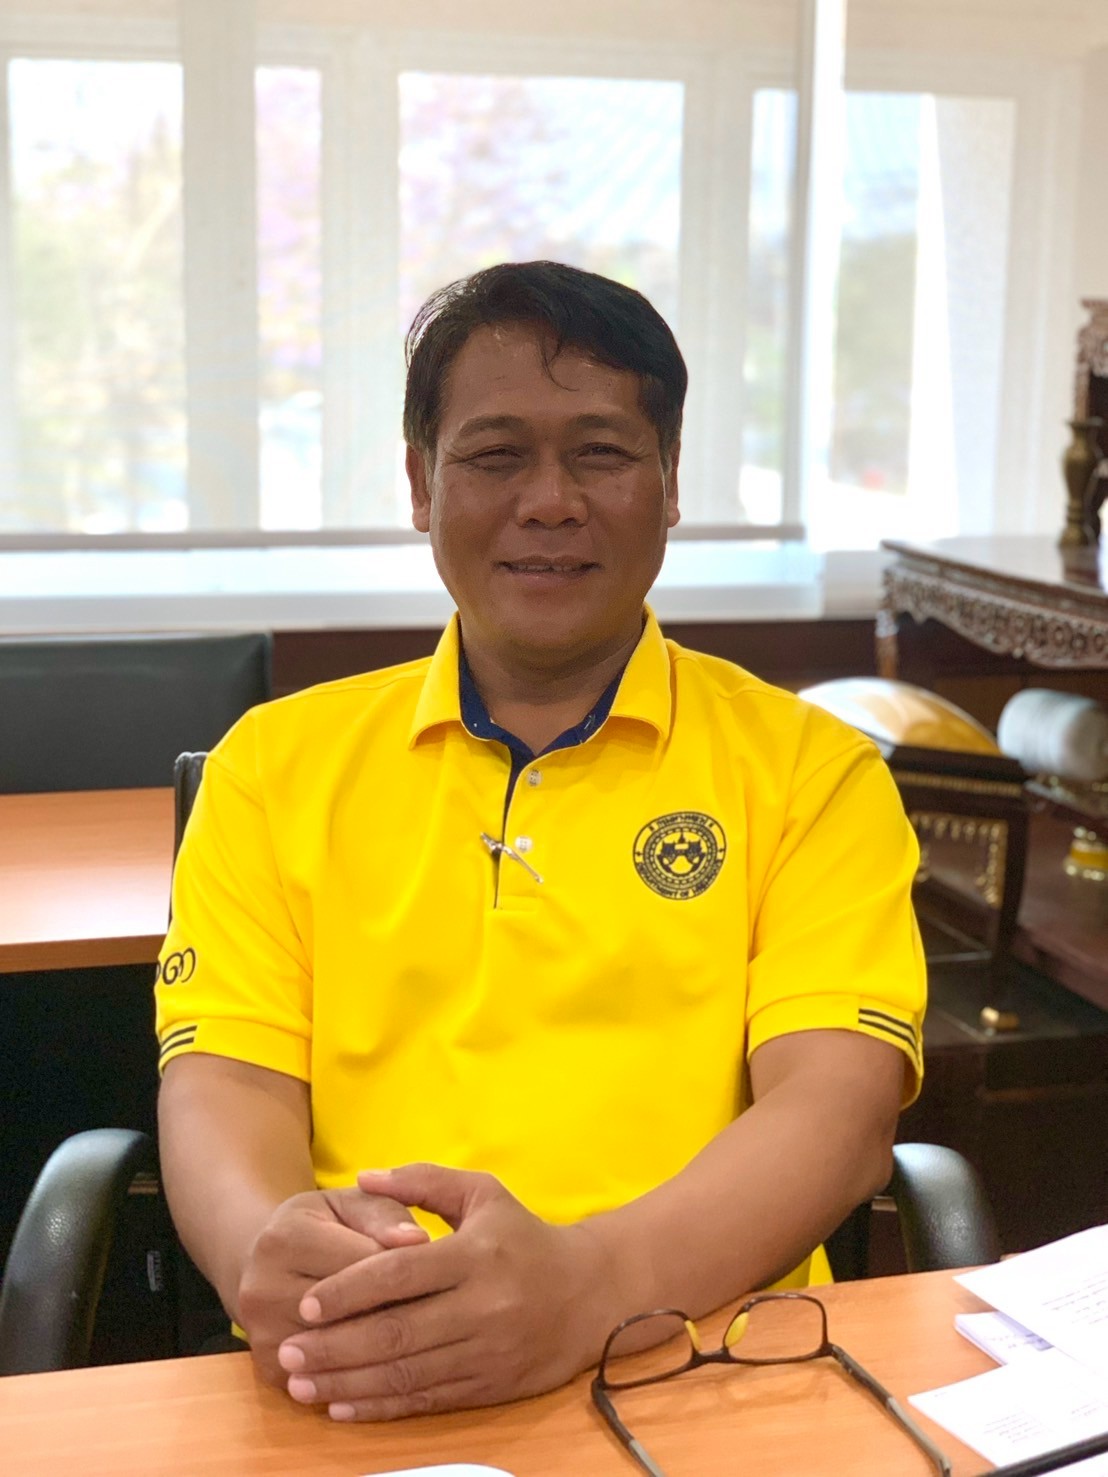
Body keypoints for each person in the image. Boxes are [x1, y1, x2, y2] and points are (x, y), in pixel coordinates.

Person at [155, 260, 926, 1424]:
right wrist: (272, 1249)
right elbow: (224, 1082)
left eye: (602, 453)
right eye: (495, 454)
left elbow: (838, 1111)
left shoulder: (813, 774)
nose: (550, 501)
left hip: (706, 1363)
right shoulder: (271, 765)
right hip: (351, 1363)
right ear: (421, 483)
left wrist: (587, 1292)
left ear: (671, 482)